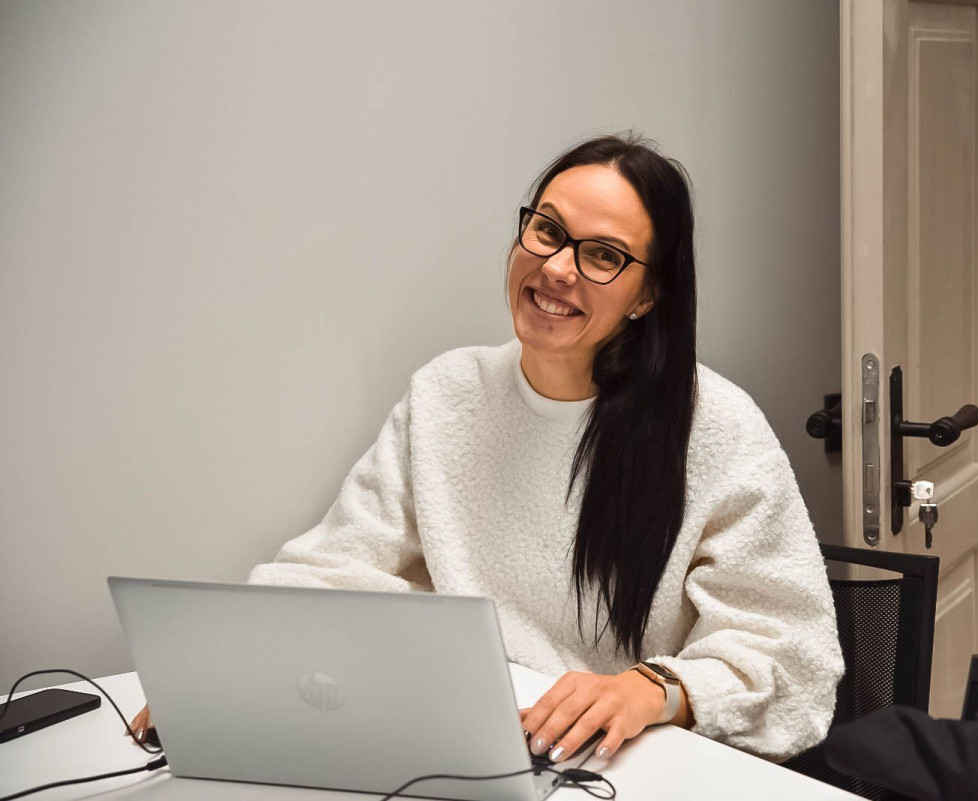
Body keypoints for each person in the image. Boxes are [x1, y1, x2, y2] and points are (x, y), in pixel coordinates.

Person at [128, 132, 842, 764]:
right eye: (547, 231)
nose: (557, 268)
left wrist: (654, 689)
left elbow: (792, 653)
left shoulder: (715, 426)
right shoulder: (447, 394)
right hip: (472, 748)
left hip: (631, 762)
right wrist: (231, 665)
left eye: (602, 255)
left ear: (647, 295)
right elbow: (339, 565)